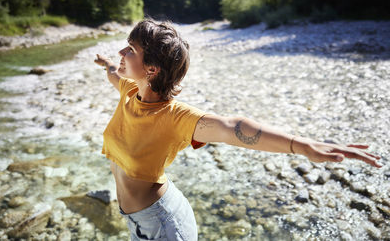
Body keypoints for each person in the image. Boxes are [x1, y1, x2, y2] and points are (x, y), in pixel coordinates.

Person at [94, 19, 382, 241]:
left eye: (130, 50)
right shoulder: (129, 91)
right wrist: (108, 64)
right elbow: (112, 74)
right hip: (137, 222)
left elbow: (233, 127)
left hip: (164, 225)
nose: (120, 52)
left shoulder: (174, 116)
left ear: (152, 69)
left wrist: (302, 145)